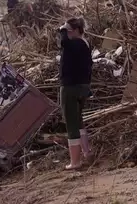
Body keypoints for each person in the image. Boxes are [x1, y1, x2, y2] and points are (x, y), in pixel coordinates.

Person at [58, 17, 93, 170]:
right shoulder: (84, 43)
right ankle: (86, 152)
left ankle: (75, 162)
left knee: (71, 123)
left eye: (69, 31)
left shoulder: (75, 43)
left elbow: (63, 42)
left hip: (71, 88)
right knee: (78, 121)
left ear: (77, 30)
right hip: (83, 87)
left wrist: (62, 30)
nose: (67, 34)